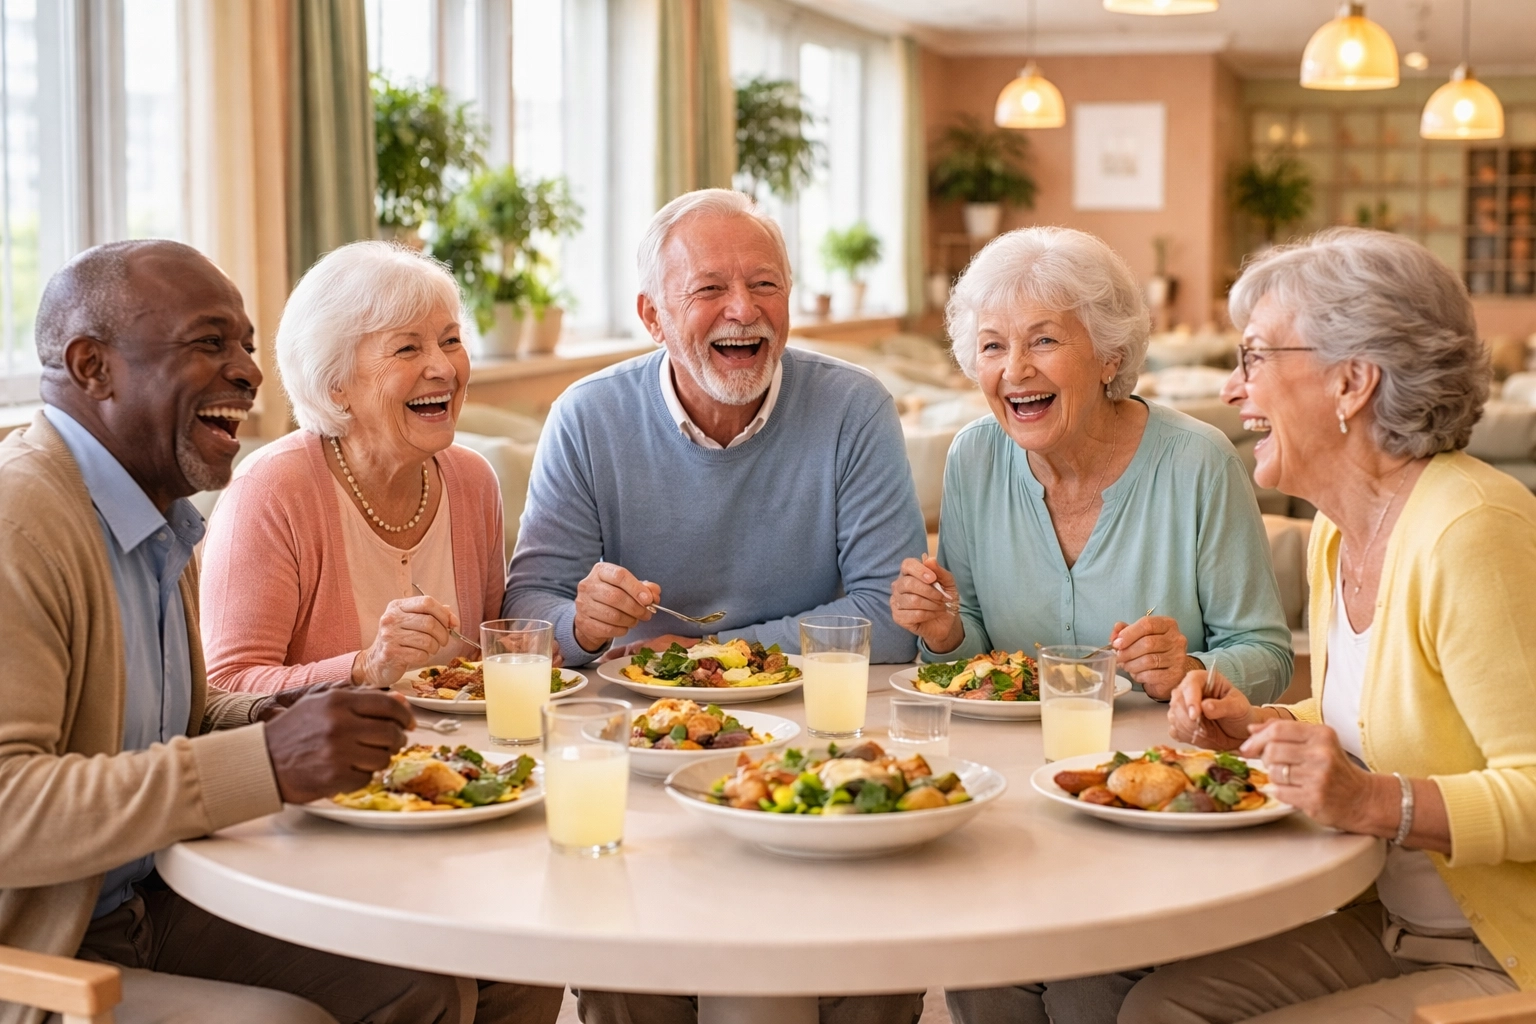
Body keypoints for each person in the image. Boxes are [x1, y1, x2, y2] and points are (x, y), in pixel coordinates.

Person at [0, 240, 556, 1024]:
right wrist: (264, 758)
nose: (250, 374)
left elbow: (183, 721)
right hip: (49, 949)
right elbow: (8, 808)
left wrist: (280, 717)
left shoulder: (157, 517)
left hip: (156, 895)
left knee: (462, 969)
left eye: (247, 348)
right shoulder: (20, 522)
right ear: (93, 367)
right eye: (208, 343)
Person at [504, 188, 926, 1024]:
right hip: (643, 756)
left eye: (766, 285)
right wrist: (583, 625)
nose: (745, 312)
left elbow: (890, 612)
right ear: (652, 315)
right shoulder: (588, 418)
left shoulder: (853, 408)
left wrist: (704, 659)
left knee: (872, 969)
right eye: (709, 290)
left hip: (820, 741)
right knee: (631, 972)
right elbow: (529, 610)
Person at [1119, 228, 1536, 1023]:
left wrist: (1374, 801)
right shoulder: (1341, 533)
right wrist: (1258, 725)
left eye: (1255, 359)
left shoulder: (1471, 530)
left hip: (1503, 953)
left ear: (1352, 382)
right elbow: (1380, 720)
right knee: (1156, 1009)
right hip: (1388, 919)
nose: (1235, 391)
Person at [888, 227, 1292, 1024]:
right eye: (993, 346)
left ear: (1110, 355)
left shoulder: (1197, 463)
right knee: (984, 968)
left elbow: (1268, 655)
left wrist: (1192, 670)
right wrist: (941, 632)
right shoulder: (974, 458)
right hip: (1008, 794)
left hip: (1147, 803)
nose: (1016, 370)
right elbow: (974, 642)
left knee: (1087, 989)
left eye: (1044, 340)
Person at [200, 241, 512, 695]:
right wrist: (366, 665)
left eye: (451, 341)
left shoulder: (473, 481)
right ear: (334, 386)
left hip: (463, 757)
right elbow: (226, 686)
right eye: (407, 349)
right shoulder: (270, 491)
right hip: (326, 763)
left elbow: (488, 660)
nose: (444, 368)